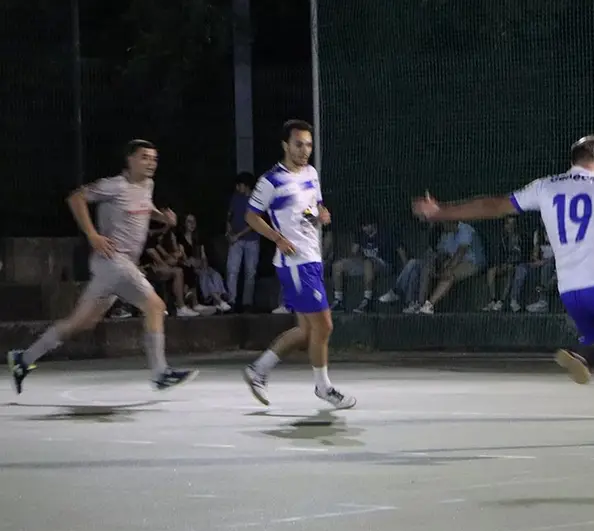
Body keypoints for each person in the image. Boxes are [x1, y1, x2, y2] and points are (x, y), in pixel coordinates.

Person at [412, 135, 594, 443]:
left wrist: (440, 211)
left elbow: (493, 205)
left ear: (574, 160)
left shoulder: (546, 185)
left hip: (572, 293)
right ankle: (583, 355)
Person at [7, 140, 198, 393]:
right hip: (114, 261)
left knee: (79, 323)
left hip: (116, 267)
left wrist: (161, 217)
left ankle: (23, 359)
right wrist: (92, 235)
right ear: (129, 160)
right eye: (145, 157)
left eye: (154, 158)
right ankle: (160, 372)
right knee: (155, 305)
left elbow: (143, 206)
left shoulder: (147, 185)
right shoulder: (114, 185)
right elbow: (75, 198)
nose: (151, 162)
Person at [241, 119, 355, 409]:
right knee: (325, 326)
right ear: (285, 145)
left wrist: (322, 213)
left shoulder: (312, 173)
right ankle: (324, 388)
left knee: (307, 331)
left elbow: (315, 206)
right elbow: (251, 217)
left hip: (312, 257)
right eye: (299, 144)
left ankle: (258, 370)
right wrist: (277, 238)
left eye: (308, 144)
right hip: (294, 263)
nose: (305, 150)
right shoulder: (271, 181)